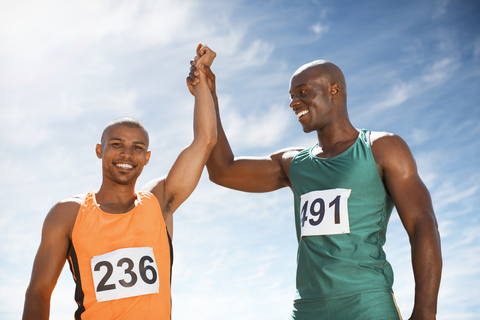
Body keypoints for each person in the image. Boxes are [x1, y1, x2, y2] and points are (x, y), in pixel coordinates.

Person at [187, 46, 442, 320]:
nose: (293, 102)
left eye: (303, 92)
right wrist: (209, 94)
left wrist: (425, 313)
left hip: (367, 306)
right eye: (291, 96)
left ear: (334, 90)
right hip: (308, 309)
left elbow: (422, 225)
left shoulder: (382, 148)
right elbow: (222, 170)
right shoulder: (294, 164)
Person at [22, 44, 216, 320]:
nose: (127, 153)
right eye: (117, 144)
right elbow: (39, 292)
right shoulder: (67, 214)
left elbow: (205, 141)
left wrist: (202, 80)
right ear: (99, 150)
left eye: (137, 147)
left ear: (147, 157)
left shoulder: (159, 203)